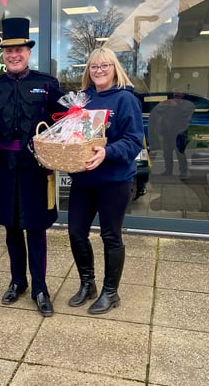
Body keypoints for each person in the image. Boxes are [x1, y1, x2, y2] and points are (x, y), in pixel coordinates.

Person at [0, 17, 65, 317]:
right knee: (11, 227)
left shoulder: (47, 85)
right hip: (3, 163)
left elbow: (62, 123)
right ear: (3, 54)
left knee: (35, 228)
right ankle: (18, 281)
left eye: (19, 49)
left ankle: (40, 287)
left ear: (28, 51)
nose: (14, 55)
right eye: (8, 50)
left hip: (35, 165)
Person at [66, 47, 143, 314]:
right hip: (84, 178)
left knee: (110, 236)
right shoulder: (83, 100)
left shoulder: (125, 100)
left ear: (115, 68)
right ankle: (87, 283)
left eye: (104, 66)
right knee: (76, 232)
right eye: (93, 66)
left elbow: (134, 142)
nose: (98, 70)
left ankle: (111, 292)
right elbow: (73, 135)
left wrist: (107, 152)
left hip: (114, 179)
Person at [148, 92, 195, 177]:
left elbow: (187, 115)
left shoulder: (187, 104)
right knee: (167, 152)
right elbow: (158, 111)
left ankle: (183, 171)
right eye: (175, 94)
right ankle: (168, 170)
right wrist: (165, 104)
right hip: (167, 131)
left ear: (183, 95)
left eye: (178, 94)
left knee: (180, 152)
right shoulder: (168, 103)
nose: (176, 96)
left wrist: (176, 106)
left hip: (180, 132)